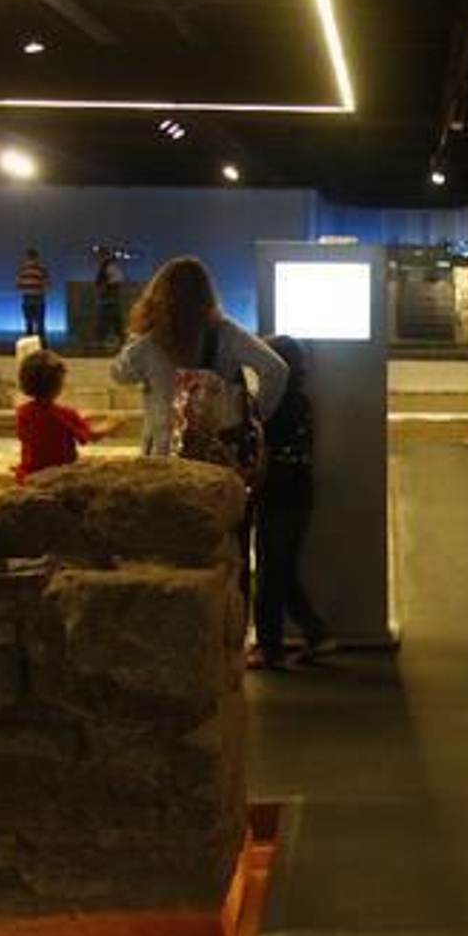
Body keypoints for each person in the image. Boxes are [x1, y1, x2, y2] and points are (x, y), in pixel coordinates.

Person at [109, 256, 289, 458]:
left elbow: (119, 375)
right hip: (218, 452)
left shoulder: (149, 343)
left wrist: (134, 338)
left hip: (165, 452)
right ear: (207, 295)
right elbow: (276, 369)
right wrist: (255, 415)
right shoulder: (226, 332)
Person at [249, 335, 335, 671]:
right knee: (280, 570)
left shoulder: (272, 405)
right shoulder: (301, 402)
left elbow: (262, 452)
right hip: (299, 493)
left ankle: (271, 647)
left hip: (276, 494)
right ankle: (314, 632)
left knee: (271, 573)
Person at [14, 349, 117, 483]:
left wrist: (82, 420)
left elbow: (49, 428)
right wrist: (113, 424)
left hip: (30, 472)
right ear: (59, 385)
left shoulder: (23, 412)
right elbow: (91, 436)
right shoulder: (65, 414)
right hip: (60, 474)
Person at [15, 247, 52, 347]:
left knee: (29, 324)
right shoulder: (41, 269)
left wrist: (26, 287)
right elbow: (47, 284)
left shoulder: (22, 269)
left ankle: (30, 347)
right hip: (39, 298)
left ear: (27, 257)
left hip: (27, 298)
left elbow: (18, 285)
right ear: (37, 257)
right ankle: (42, 347)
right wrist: (39, 288)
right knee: (40, 324)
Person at [94, 250, 126, 350]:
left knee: (111, 321)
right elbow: (117, 278)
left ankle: (102, 342)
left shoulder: (108, 266)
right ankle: (119, 341)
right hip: (108, 300)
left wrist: (105, 285)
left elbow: (118, 279)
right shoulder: (107, 266)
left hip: (109, 300)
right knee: (112, 322)